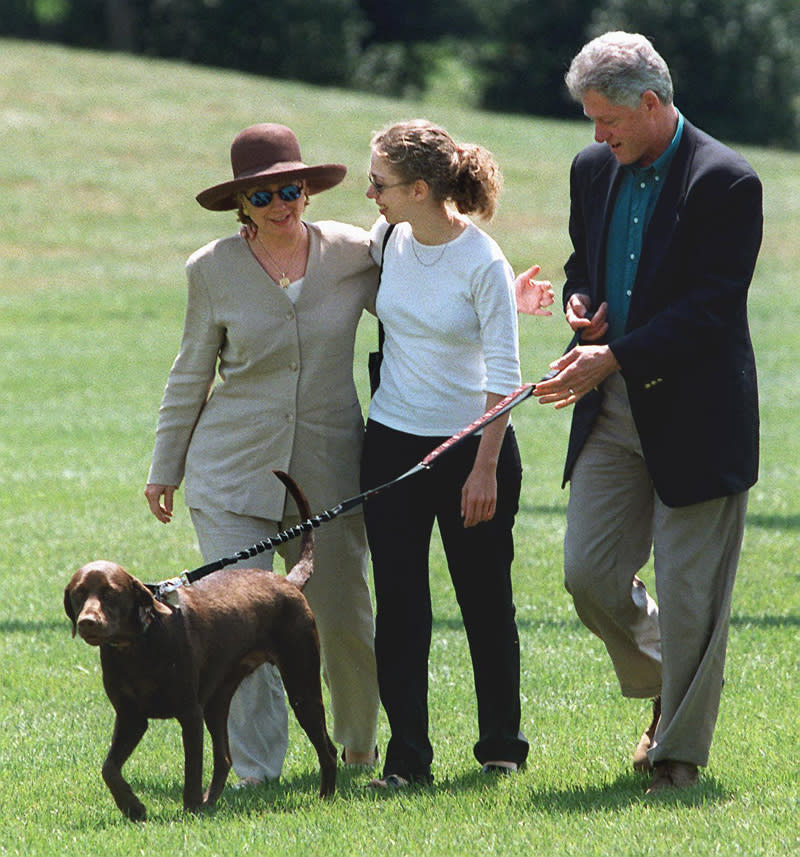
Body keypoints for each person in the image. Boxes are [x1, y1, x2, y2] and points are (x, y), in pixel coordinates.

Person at [532, 32, 762, 793]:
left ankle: (678, 754)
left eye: (608, 120)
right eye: (593, 122)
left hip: (697, 417)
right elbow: (584, 262)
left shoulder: (726, 181)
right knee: (588, 573)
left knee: (693, 592)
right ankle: (677, 673)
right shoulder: (593, 168)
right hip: (613, 407)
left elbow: (709, 308)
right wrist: (581, 303)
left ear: (652, 104)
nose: (597, 136)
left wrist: (619, 355)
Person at [144, 123, 383, 784]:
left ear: (307, 189)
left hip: (329, 467)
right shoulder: (211, 268)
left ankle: (358, 747)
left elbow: (427, 295)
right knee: (237, 623)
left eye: (292, 188)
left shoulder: (356, 251)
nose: (282, 203)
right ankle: (256, 769)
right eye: (264, 194)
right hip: (231, 468)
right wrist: (165, 467)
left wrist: (501, 295)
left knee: (342, 615)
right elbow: (190, 372)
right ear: (240, 204)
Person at [361, 120, 530, 789]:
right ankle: (407, 761)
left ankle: (501, 747)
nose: (371, 192)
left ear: (421, 188)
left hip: (472, 450)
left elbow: (506, 374)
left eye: (381, 182)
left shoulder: (484, 261)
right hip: (392, 446)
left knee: (485, 600)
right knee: (399, 606)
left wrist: (485, 466)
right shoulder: (387, 239)